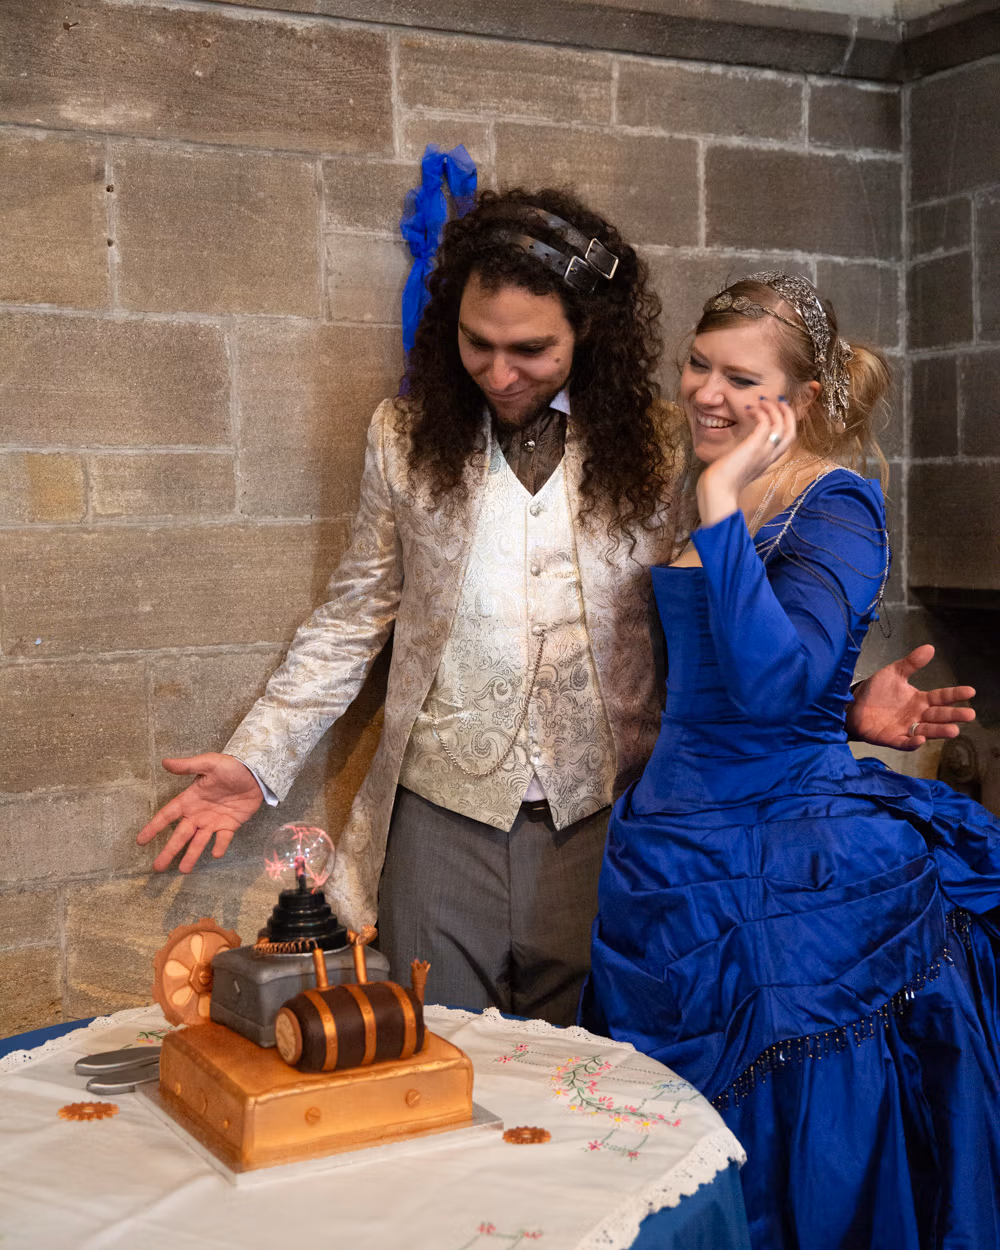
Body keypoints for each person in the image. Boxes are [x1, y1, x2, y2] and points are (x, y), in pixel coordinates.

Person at [136, 191, 972, 1026]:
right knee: (439, 1056)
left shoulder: (672, 443)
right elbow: (355, 615)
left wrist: (837, 713)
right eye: (478, 343)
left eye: (531, 349)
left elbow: (743, 610)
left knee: (596, 1079)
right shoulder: (400, 436)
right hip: (440, 816)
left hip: (612, 816)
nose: (500, 373)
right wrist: (258, 756)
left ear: (589, 333)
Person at [581, 272, 1000, 1247]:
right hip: (667, 846)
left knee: (785, 1154)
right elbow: (738, 678)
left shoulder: (836, 504)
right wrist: (850, 702)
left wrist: (721, 503)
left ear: (805, 398)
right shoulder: (708, 484)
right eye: (697, 363)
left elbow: (773, 684)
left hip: (788, 862)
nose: (706, 391)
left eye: (740, 376)